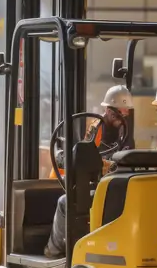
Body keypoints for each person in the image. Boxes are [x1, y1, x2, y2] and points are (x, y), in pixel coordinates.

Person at [44, 86, 134, 258]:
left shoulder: (124, 133)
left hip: (107, 186)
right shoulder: (97, 129)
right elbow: (85, 154)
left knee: (65, 202)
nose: (122, 118)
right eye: (119, 114)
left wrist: (103, 164)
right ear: (108, 110)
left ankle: (53, 250)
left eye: (125, 114)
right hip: (106, 183)